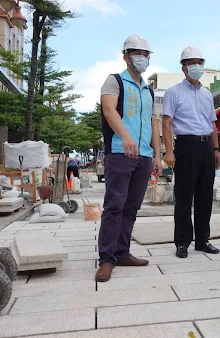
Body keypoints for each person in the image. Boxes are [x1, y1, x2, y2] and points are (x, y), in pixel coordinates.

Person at [96, 34, 162, 282]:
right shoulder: (115, 82)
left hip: (144, 156)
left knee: (132, 207)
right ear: (125, 56)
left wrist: (158, 155)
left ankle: (122, 252)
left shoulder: (148, 89)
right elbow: (109, 110)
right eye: (136, 53)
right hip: (120, 153)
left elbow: (153, 122)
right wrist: (125, 136)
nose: (141, 58)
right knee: (115, 205)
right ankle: (106, 259)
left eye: (145, 54)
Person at [162, 46, 220, 258]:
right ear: (184, 67)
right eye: (192, 63)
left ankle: (203, 240)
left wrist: (215, 148)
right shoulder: (173, 92)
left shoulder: (207, 94)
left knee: (206, 196)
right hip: (185, 145)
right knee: (184, 196)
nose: (197, 67)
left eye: (200, 62)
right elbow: (167, 123)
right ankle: (182, 242)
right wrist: (169, 152)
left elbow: (212, 123)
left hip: (206, 146)